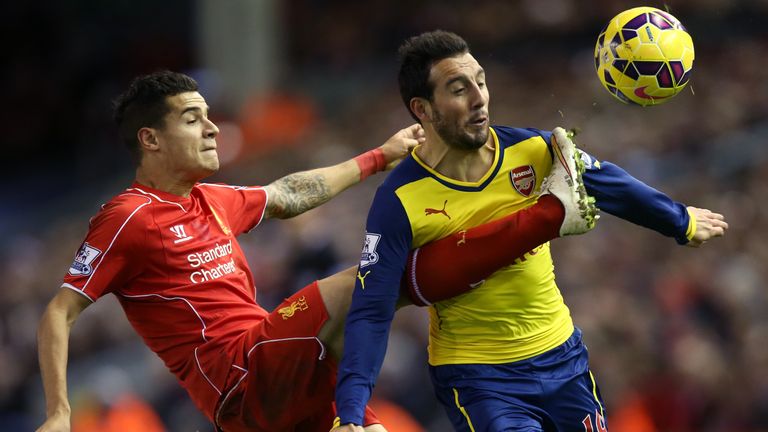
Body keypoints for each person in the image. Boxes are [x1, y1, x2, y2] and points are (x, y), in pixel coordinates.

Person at [35, 70, 596, 432]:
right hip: (243, 373)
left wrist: (379, 157)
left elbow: (288, 193)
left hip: (286, 383)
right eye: (193, 118)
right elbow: (59, 312)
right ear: (150, 140)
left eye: (209, 115)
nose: (212, 128)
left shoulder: (211, 200)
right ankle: (548, 215)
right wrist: (60, 411)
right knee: (378, 276)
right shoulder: (128, 216)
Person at [333, 30, 728, 432]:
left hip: (563, 358)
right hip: (480, 378)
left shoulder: (533, 150)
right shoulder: (399, 198)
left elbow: (607, 182)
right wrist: (350, 413)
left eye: (481, 81)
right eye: (458, 88)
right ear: (423, 109)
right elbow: (371, 309)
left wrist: (681, 221)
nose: (479, 97)